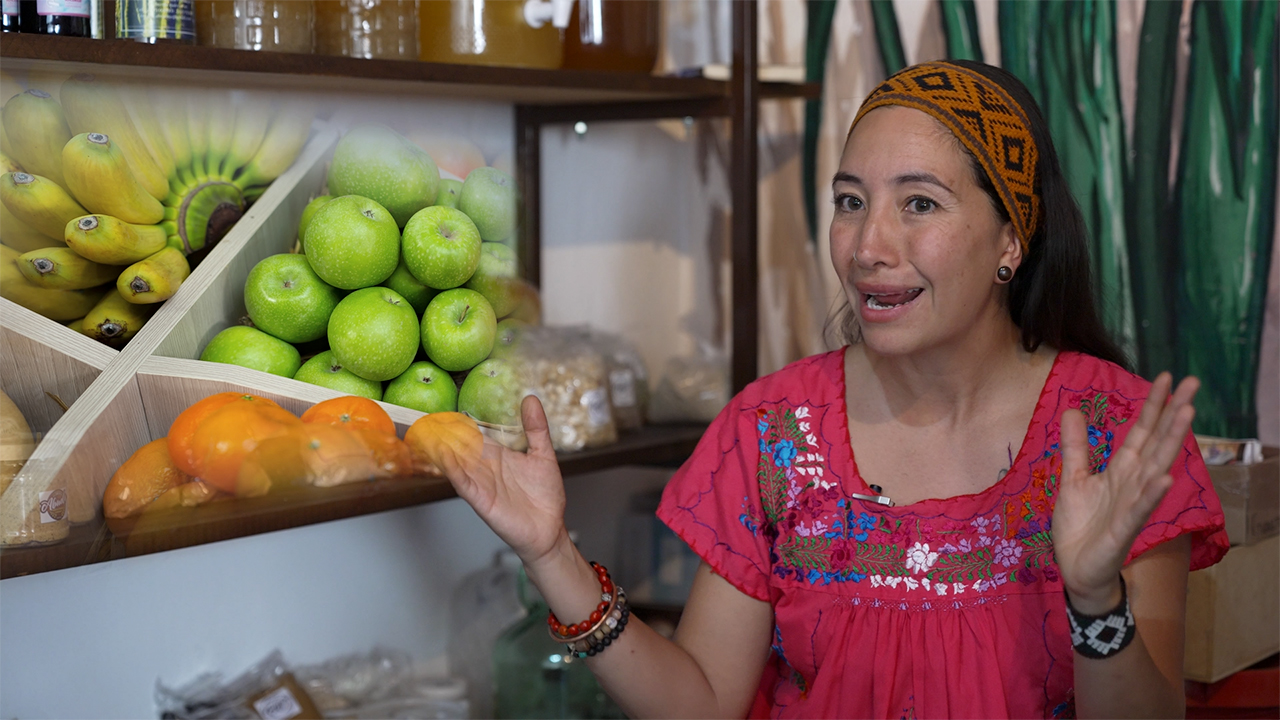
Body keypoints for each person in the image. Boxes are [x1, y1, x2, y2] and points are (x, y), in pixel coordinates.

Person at [436, 60, 1227, 719]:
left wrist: (1096, 598)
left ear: (1011, 239)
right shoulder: (776, 430)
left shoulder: (1116, 434)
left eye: (919, 204)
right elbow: (705, 703)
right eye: (851, 202)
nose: (868, 246)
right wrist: (552, 554)